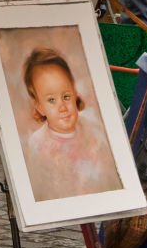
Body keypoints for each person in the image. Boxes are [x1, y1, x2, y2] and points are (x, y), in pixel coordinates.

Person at [21, 47, 119, 202]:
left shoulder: (92, 126)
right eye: (51, 100)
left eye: (66, 96)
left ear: (75, 93)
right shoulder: (38, 143)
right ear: (39, 106)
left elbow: (107, 171)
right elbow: (41, 188)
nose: (62, 106)